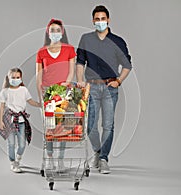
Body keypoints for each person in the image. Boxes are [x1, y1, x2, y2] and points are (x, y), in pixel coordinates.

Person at [76, 5, 132, 174]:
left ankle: (104, 159)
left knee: (108, 125)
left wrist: (119, 81)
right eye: (97, 19)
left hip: (110, 88)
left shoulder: (118, 41)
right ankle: (97, 150)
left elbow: (127, 65)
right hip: (91, 87)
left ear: (108, 20)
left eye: (103, 18)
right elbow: (80, 63)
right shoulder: (86, 39)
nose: (100, 22)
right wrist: (80, 81)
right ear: (93, 21)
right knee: (90, 126)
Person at [36, 19, 76, 170]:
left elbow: (71, 71)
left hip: (64, 93)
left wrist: (66, 84)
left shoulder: (69, 49)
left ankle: (60, 159)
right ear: (48, 32)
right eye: (52, 30)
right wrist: (40, 94)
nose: (55, 33)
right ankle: (49, 158)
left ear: (62, 32)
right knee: (49, 127)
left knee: (63, 127)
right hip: (47, 93)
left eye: (58, 30)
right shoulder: (41, 52)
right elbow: (38, 75)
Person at [0, 68, 41, 173]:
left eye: (18, 77)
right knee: (11, 143)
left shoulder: (24, 90)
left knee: (22, 144)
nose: (16, 79)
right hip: (10, 120)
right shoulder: (5, 91)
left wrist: (40, 105)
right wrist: (0, 121)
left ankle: (18, 159)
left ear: (21, 78)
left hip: (21, 120)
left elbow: (30, 101)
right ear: (9, 78)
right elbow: (1, 107)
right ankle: (13, 163)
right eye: (13, 77)